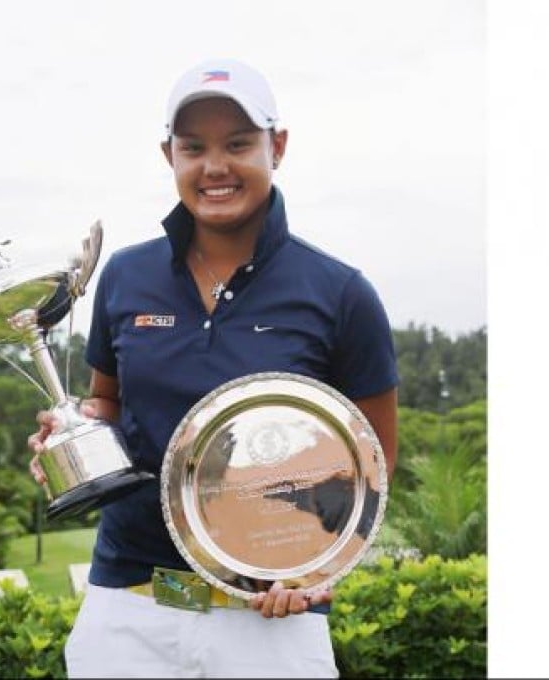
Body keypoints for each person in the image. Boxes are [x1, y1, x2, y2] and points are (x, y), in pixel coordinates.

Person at [28, 57, 399, 679]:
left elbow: (372, 464)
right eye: (193, 147)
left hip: (270, 618)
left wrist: (315, 570)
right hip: (131, 604)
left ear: (276, 147)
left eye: (238, 144)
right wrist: (74, 433)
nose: (214, 167)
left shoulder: (339, 292)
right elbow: (109, 405)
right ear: (168, 154)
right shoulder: (125, 275)